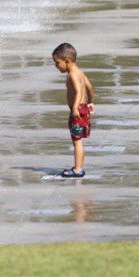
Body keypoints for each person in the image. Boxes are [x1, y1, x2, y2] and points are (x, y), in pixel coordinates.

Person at [52, 42, 95, 178]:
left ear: (67, 61)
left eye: (57, 63)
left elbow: (77, 91)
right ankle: (79, 167)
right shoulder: (80, 72)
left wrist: (75, 106)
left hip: (77, 110)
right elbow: (89, 87)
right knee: (78, 140)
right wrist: (91, 102)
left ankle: (78, 169)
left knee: (77, 141)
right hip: (83, 109)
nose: (56, 66)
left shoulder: (72, 74)